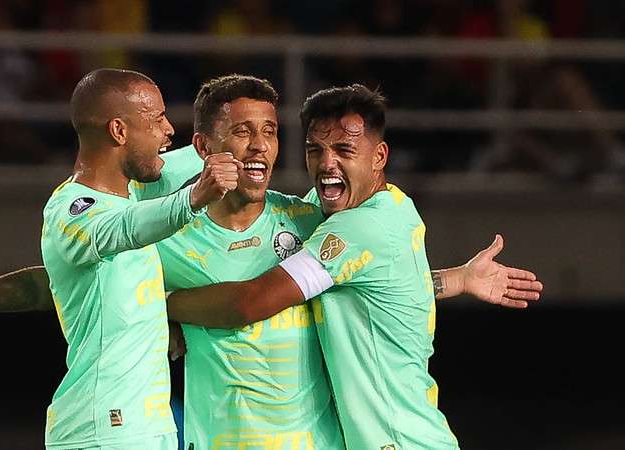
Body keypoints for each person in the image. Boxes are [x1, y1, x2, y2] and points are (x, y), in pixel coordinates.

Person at [0, 79, 542, 449]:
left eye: (271, 131)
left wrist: (457, 278)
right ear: (203, 147)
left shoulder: (305, 220)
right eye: (240, 132)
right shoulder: (165, 231)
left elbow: (366, 287)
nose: (259, 145)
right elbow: (61, 284)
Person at [165, 84, 541, 449]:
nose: (328, 163)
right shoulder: (376, 208)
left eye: (345, 149)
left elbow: (250, 303)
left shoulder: (357, 226)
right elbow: (376, 287)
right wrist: (455, 279)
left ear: (379, 157)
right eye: (315, 149)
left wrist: (164, 305)